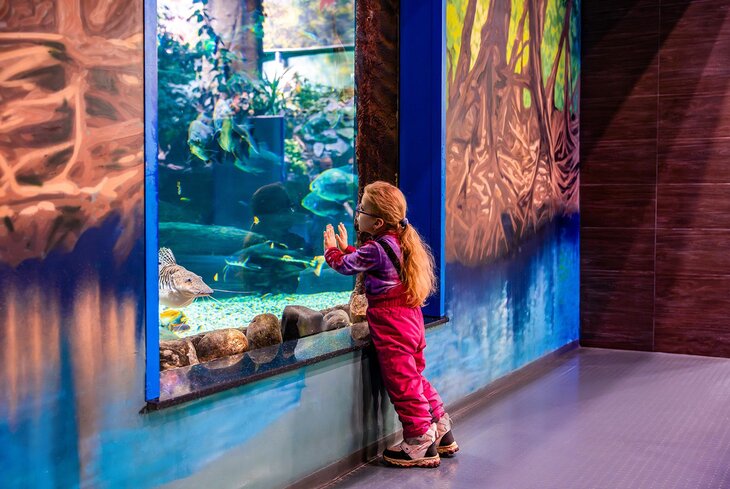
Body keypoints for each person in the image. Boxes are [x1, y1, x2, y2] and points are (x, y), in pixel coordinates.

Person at [323, 181, 458, 468]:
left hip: (392, 325)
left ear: (377, 222)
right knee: (415, 377)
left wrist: (332, 251)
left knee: (403, 384)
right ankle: (440, 427)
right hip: (410, 320)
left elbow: (347, 265)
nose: (357, 213)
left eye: (361, 209)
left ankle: (420, 441)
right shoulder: (397, 241)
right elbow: (370, 261)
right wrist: (348, 248)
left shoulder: (376, 248)